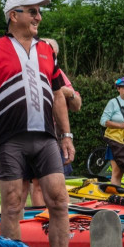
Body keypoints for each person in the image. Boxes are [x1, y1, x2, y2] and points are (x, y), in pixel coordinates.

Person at [0, 0, 75, 247]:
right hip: (10, 139)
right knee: (13, 205)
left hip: (46, 139)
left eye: (39, 12)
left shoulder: (46, 50)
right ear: (13, 15)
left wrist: (66, 135)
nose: (38, 17)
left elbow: (57, 94)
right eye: (32, 11)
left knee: (59, 201)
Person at [29, 37, 82, 207]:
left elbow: (77, 106)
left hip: (57, 135)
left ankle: (63, 220)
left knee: (59, 182)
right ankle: (38, 219)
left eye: (51, 52)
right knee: (37, 183)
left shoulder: (58, 73)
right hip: (35, 132)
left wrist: (69, 93)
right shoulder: (29, 68)